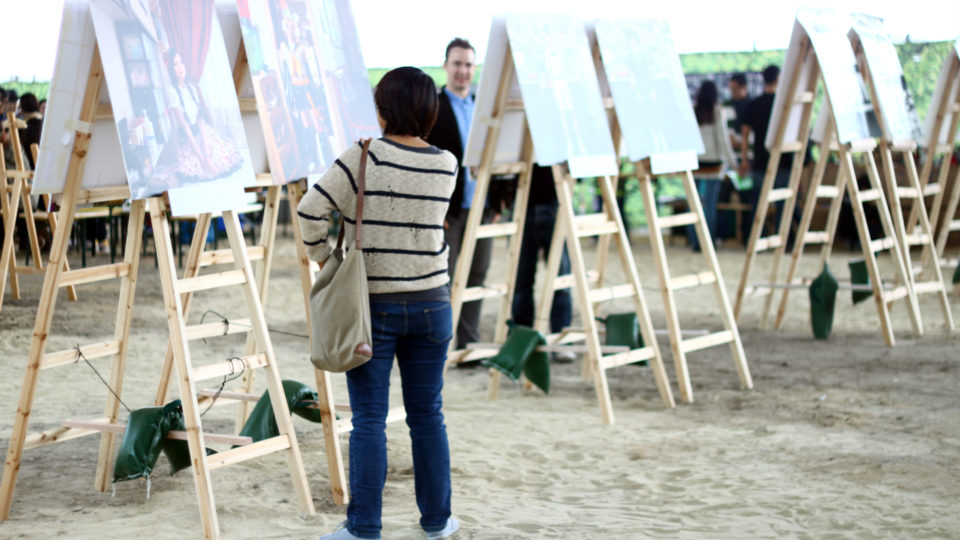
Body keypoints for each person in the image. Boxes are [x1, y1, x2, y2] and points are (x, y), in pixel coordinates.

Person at [300, 67, 460, 540]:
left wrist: (327, 259)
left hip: (374, 309)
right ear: (429, 110)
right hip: (434, 303)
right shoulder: (447, 163)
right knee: (427, 414)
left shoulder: (363, 158)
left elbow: (311, 210)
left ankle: (364, 527)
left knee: (369, 419)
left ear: (383, 108)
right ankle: (437, 522)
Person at [426, 37, 491, 350]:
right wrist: (436, 210)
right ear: (446, 67)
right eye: (457, 64)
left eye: (468, 64)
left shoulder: (483, 108)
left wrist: (499, 200)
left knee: (478, 273)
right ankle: (441, 344)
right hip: (448, 211)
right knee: (445, 278)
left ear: (474, 68)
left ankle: (469, 343)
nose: (463, 70)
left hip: (482, 207)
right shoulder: (433, 109)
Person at [511, 165, 574, 362]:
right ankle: (521, 340)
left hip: (556, 202)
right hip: (523, 203)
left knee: (561, 280)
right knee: (521, 282)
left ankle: (561, 340)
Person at [164, 47, 242, 187]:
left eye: (181, 62)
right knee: (196, 169)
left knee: (221, 159)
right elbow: (185, 127)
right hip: (188, 139)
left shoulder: (192, 88)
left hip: (203, 133)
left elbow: (200, 121)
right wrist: (202, 159)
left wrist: (206, 155)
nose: (180, 67)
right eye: (175, 64)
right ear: (170, 69)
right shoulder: (172, 92)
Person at [739, 65, 793, 243]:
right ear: (778, 79)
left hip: (761, 161)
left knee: (759, 204)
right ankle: (782, 240)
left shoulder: (754, 104)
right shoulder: (785, 104)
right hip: (783, 160)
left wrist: (745, 158)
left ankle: (756, 238)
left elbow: (745, 134)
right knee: (783, 204)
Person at [688, 80, 738, 251]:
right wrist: (733, 163)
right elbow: (722, 140)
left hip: (695, 163)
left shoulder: (693, 112)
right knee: (710, 204)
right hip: (713, 162)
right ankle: (708, 242)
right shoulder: (716, 112)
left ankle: (695, 241)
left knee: (693, 203)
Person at [727, 72, 750, 151]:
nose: (732, 92)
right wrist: (730, 136)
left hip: (749, 147)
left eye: (734, 89)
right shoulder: (727, 105)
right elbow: (725, 126)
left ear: (743, 87)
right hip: (732, 148)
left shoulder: (752, 105)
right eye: (731, 88)